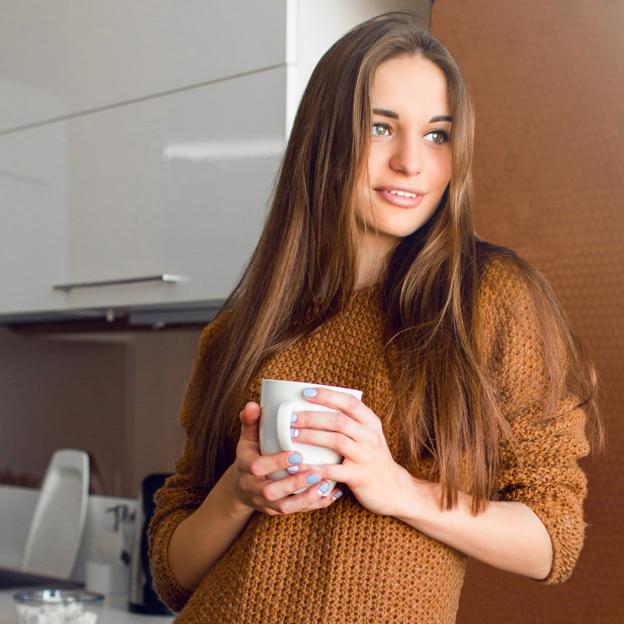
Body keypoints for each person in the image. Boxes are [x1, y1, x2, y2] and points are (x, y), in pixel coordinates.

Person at [147, 11, 605, 624]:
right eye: (381, 127)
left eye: (438, 135)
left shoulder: (487, 299)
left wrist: (397, 490)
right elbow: (172, 576)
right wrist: (238, 491)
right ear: (326, 138)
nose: (412, 163)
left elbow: (553, 539)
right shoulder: (240, 331)